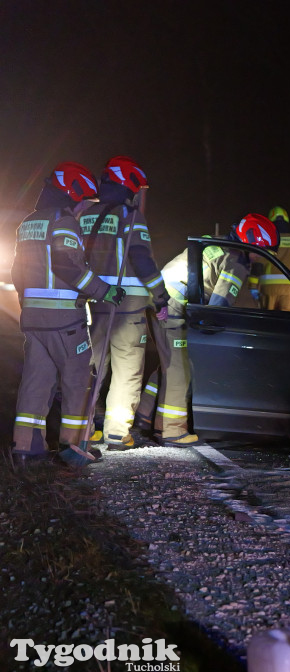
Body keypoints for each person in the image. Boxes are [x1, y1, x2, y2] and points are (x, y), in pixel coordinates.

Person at [10, 162, 126, 467]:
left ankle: (26, 449)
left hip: (33, 320)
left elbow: (17, 273)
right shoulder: (64, 222)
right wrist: (104, 291)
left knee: (35, 383)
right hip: (66, 322)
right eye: (83, 201)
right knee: (77, 382)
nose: (83, 208)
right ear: (71, 196)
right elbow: (68, 266)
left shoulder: (28, 223)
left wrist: (28, 305)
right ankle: (73, 449)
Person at [135, 214, 279, 447]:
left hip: (161, 298)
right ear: (252, 243)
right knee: (180, 369)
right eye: (262, 252)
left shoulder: (219, 242)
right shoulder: (237, 261)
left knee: (168, 362)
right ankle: (173, 431)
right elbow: (219, 305)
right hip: (174, 306)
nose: (262, 259)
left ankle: (145, 414)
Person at [81, 156, 170, 451]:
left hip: (93, 304)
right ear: (127, 183)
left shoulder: (83, 215)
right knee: (127, 370)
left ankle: (80, 429)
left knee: (90, 367)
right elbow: (142, 260)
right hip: (128, 307)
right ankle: (117, 434)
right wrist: (161, 297)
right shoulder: (130, 216)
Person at [247, 205, 290, 311]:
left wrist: (252, 287)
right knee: (287, 324)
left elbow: (257, 267)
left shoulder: (268, 242)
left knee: (270, 324)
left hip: (268, 291)